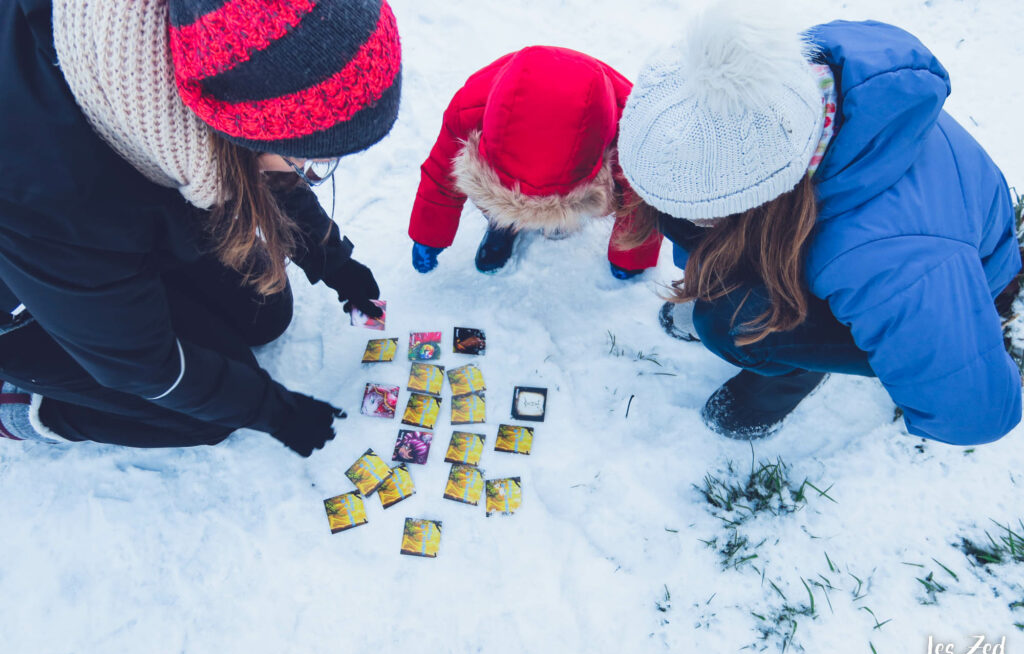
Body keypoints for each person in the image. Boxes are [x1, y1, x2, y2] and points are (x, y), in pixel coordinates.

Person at [0, 0, 402, 455]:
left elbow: (269, 163)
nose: (313, 169)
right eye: (311, 159)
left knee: (266, 311)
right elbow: (143, 368)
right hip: (28, 306)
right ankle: (26, 411)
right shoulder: (50, 190)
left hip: (119, 232)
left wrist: (334, 262)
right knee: (201, 415)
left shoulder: (207, 52)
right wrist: (271, 409)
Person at [616, 6, 1022, 445]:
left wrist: (892, 345)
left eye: (706, 211)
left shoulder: (899, 265)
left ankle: (777, 386)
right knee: (687, 229)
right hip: (827, 228)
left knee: (735, 323)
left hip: (919, 283)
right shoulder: (782, 88)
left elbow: (974, 413)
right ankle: (719, 286)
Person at [407, 46, 663, 277]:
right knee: (492, 194)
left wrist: (630, 254)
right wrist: (430, 232)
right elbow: (442, 172)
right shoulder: (472, 106)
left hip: (595, 156)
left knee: (613, 196)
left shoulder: (633, 132)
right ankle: (502, 224)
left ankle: (547, 219)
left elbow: (641, 202)